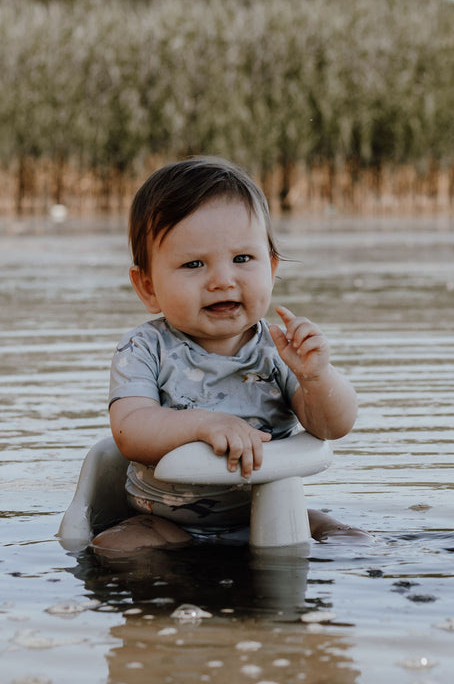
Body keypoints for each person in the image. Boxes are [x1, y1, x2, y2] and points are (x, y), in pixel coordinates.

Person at [91, 156, 366, 555]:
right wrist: (201, 424)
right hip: (167, 520)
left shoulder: (278, 349)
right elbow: (129, 431)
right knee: (117, 548)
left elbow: (332, 427)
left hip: (268, 508)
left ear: (270, 270)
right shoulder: (144, 349)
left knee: (350, 540)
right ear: (148, 286)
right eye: (194, 264)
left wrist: (317, 377)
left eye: (242, 259)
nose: (222, 280)